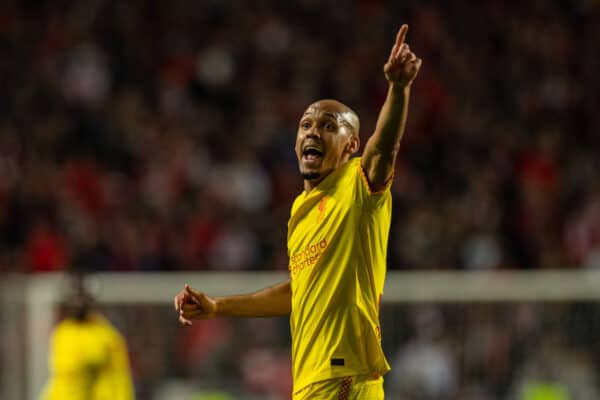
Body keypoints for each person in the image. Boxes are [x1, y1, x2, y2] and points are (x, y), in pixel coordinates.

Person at [174, 24, 421, 399]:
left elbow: (384, 148)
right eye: (305, 124)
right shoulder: (301, 211)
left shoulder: (358, 185)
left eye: (327, 126)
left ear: (352, 144)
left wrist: (398, 89)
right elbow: (296, 293)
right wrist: (216, 307)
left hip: (344, 375)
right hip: (314, 379)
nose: (312, 132)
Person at [40, 275, 135, 400]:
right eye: (74, 297)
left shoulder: (106, 336)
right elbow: (62, 375)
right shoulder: (63, 332)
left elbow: (120, 378)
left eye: (81, 297)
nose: (78, 303)